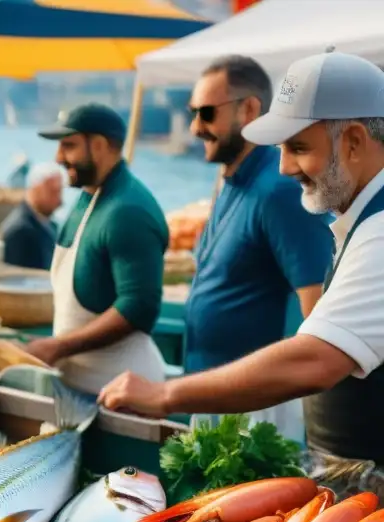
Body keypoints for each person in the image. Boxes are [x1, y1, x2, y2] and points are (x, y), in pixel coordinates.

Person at [98, 50, 384, 464]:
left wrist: (165, 394)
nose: (285, 167)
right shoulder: (357, 219)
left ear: (355, 142)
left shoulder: (378, 233)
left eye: (299, 148)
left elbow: (316, 359)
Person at [183, 55, 335, 441]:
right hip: (216, 399)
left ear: (249, 109)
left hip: (258, 416)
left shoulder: (278, 191)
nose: (194, 126)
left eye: (205, 113)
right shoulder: (233, 180)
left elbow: (317, 310)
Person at [25, 104, 168, 395]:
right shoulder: (89, 196)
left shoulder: (127, 210)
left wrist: (59, 346)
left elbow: (139, 307)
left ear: (100, 145)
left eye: (69, 145)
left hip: (122, 390)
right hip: (79, 386)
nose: (58, 157)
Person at [0, 162, 63, 270]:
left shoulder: (49, 225)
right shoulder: (19, 230)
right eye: (53, 192)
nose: (60, 201)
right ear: (36, 189)